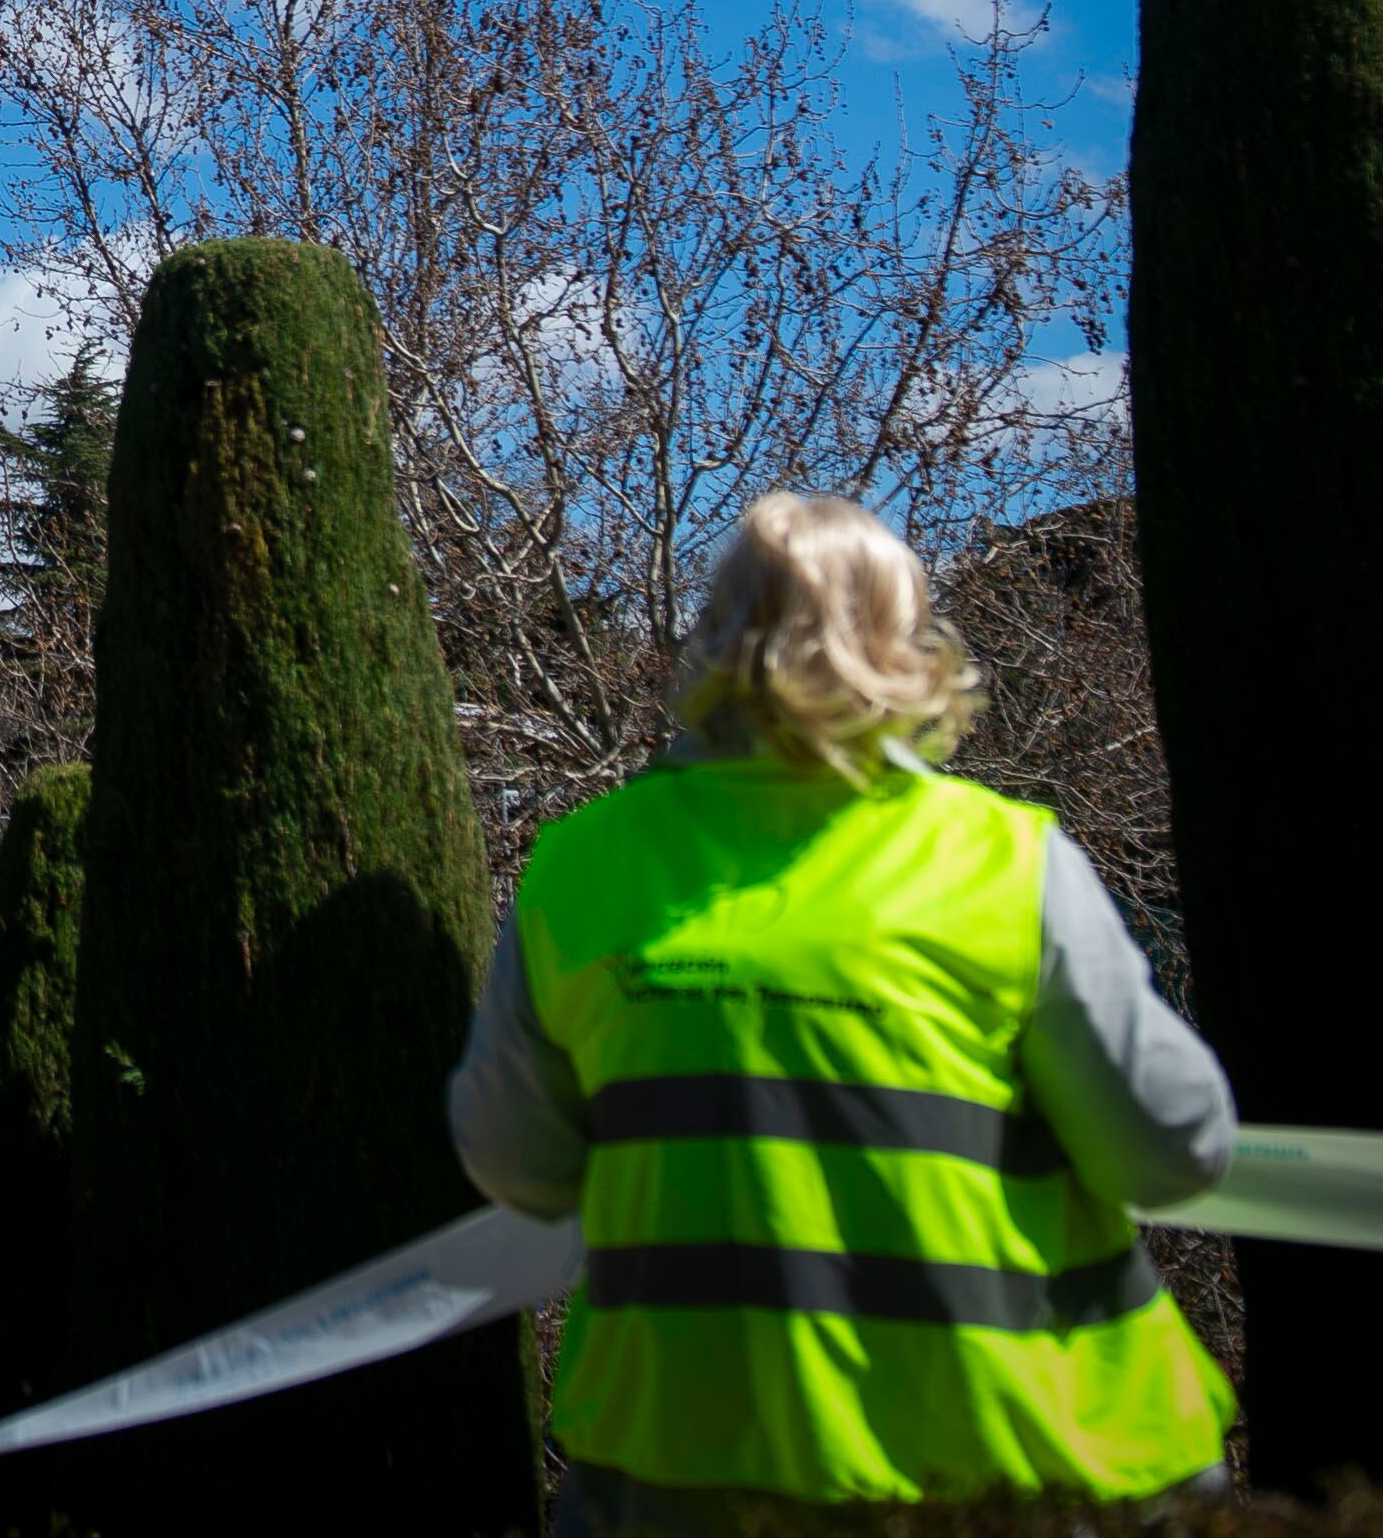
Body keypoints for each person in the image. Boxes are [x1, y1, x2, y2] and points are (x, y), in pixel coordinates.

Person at [449, 493, 1236, 1530]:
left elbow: (516, 1166)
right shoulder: (1005, 862)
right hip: (1030, 1466)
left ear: (714, 638)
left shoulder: (581, 866)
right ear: (904, 642)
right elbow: (1170, 1154)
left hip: (684, 1479)